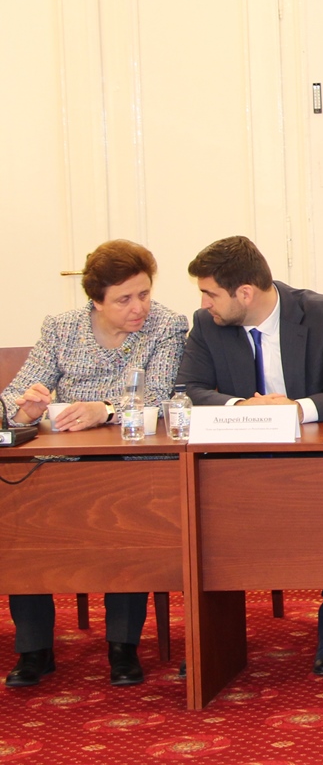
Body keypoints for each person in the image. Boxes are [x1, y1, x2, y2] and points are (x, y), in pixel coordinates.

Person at [175, 235, 323, 677]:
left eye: (210, 293)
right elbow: (187, 390)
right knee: (205, 509)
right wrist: (242, 407)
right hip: (240, 464)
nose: (204, 303)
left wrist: (296, 409)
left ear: (244, 293)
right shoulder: (208, 324)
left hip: (317, 463)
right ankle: (213, 640)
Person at [2, 240, 187, 688]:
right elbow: (15, 395)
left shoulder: (166, 325)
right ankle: (34, 648)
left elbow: (159, 396)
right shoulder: (61, 328)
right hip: (62, 462)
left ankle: (122, 647)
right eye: (124, 299)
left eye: (144, 293)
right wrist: (24, 410)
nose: (139, 307)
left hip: (133, 458)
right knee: (21, 511)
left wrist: (103, 409)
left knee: (126, 514)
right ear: (97, 301)